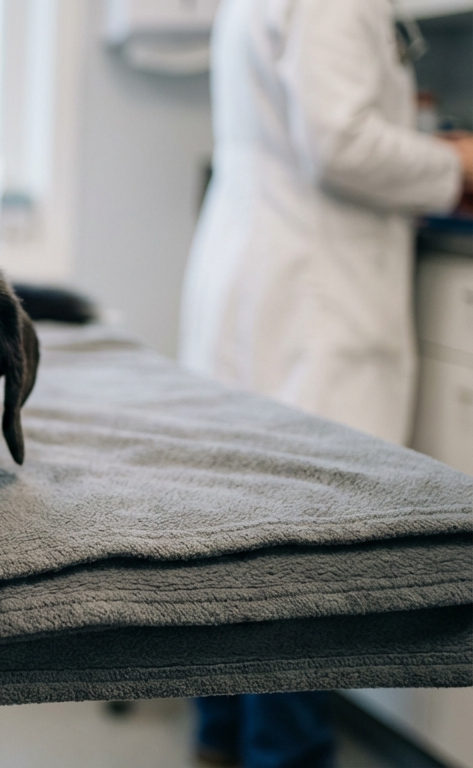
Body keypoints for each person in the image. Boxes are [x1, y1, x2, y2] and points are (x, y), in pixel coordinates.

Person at [179, 1, 473, 767]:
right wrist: (459, 163)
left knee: (244, 525)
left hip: (263, 264)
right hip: (314, 285)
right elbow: (340, 142)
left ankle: (224, 733)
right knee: (309, 541)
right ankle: (286, 752)